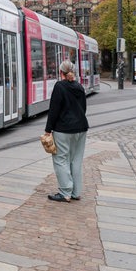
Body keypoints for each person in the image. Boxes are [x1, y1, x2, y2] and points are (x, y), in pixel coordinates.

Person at [43, 60, 89, 203]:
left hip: (63, 129)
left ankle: (65, 193)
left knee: (61, 159)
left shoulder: (59, 86)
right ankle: (75, 192)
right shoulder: (79, 86)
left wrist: (48, 130)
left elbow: (54, 110)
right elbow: (83, 108)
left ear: (60, 72)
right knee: (76, 160)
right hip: (81, 128)